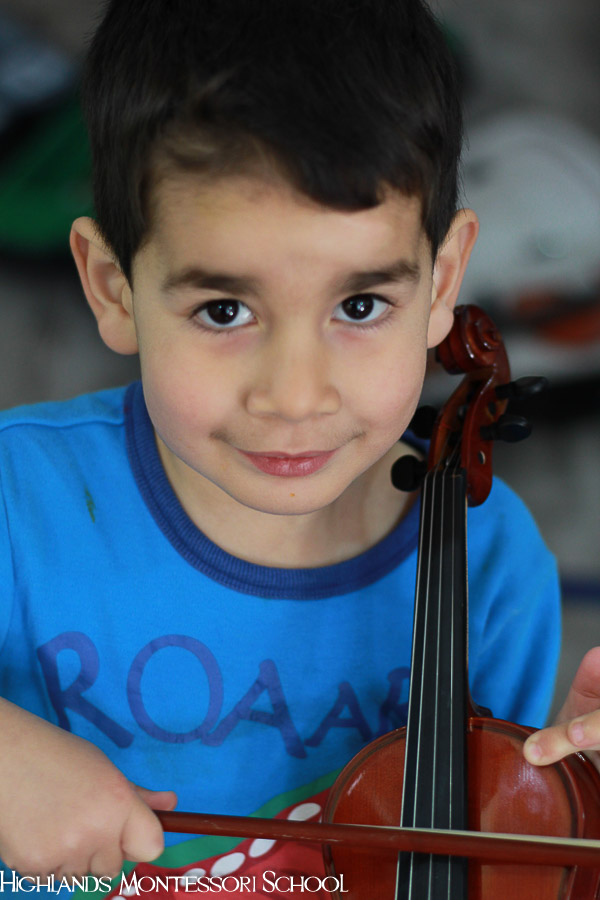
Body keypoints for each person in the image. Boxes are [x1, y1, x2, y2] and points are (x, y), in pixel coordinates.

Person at [0, 0, 598, 891]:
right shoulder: (18, 499)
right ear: (112, 287)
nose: (294, 396)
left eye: (359, 305)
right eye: (224, 310)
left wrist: (573, 811)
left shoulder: (495, 570)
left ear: (442, 284)